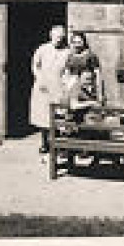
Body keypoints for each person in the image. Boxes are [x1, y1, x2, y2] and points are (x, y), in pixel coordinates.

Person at [29, 24, 70, 154]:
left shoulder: (67, 51)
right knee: (42, 115)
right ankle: (44, 143)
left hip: (58, 85)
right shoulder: (42, 49)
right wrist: (39, 78)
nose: (58, 39)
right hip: (43, 85)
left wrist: (66, 83)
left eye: (61, 37)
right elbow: (35, 65)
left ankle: (56, 144)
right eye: (56, 36)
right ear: (51, 36)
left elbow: (68, 69)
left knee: (58, 114)